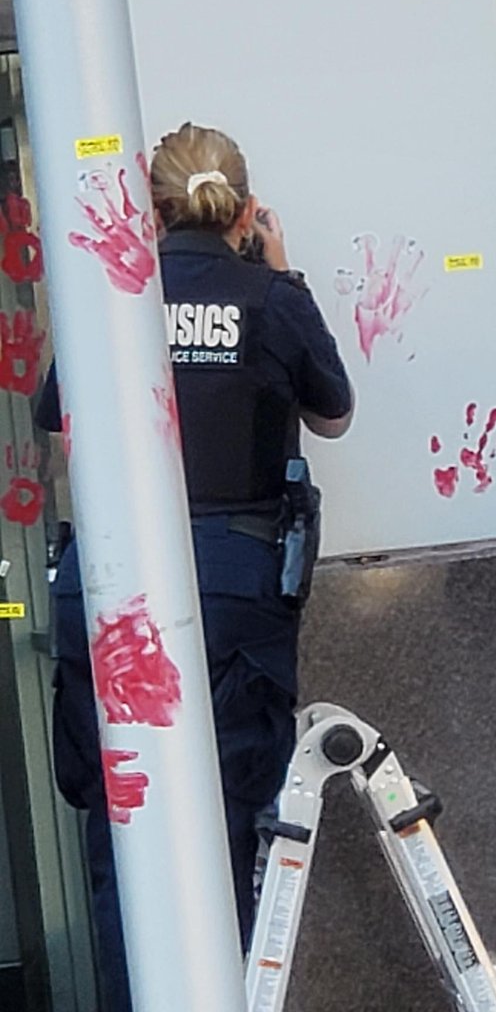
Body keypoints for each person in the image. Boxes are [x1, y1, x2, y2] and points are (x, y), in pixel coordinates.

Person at [36, 123, 353, 1012]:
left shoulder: (115, 292)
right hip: (231, 586)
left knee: (121, 831)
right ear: (246, 213)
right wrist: (280, 275)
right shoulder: (267, 298)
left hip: (112, 592)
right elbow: (332, 416)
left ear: (150, 208)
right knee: (227, 831)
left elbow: (59, 420)